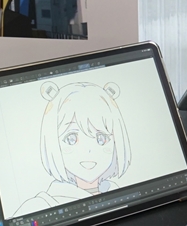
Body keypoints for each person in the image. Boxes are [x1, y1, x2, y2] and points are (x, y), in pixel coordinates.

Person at [13, 81, 131, 217]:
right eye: (71, 138)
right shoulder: (40, 206)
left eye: (101, 138)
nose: (88, 150)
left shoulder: (120, 193)